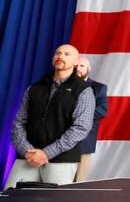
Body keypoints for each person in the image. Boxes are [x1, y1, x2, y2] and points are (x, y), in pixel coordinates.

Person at [5, 44, 93, 189]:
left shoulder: (83, 90)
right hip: (28, 157)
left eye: (66, 54)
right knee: (10, 201)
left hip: (61, 161)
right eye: (58, 53)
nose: (60, 56)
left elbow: (81, 128)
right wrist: (27, 151)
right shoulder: (35, 87)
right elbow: (18, 122)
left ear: (76, 61)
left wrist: (47, 153)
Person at [73, 55, 108, 183]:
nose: (78, 69)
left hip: (84, 142)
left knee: (79, 182)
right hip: (59, 141)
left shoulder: (99, 88)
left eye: (82, 66)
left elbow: (102, 111)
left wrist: (78, 115)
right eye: (75, 66)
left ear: (89, 68)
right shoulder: (61, 86)